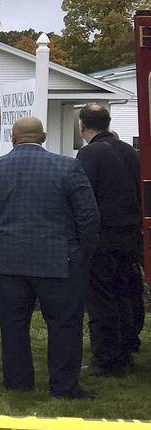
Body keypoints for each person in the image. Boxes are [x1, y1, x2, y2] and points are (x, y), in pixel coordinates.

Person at [0, 116, 100, 400]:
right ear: (43, 137)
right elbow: (88, 217)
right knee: (64, 325)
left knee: (13, 325)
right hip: (59, 260)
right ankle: (64, 387)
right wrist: (82, 252)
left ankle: (18, 384)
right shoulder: (69, 167)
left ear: (13, 139)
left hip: (7, 260)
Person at [75, 103, 145, 376]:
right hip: (131, 237)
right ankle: (127, 348)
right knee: (127, 294)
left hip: (103, 237)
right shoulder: (131, 152)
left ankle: (105, 358)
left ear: (82, 125)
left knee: (102, 298)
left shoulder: (88, 155)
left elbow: (84, 198)